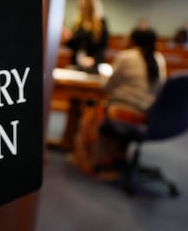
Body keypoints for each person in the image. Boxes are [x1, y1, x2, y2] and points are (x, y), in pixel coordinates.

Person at [69, 28, 167, 178]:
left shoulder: (127, 57)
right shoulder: (158, 58)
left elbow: (107, 86)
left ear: (133, 41)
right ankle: (116, 156)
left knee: (90, 116)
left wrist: (103, 76)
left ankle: (90, 162)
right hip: (148, 114)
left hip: (125, 112)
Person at [61, 0, 109, 73]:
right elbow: (75, 46)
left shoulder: (101, 23)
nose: (81, 10)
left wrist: (93, 59)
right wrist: (67, 39)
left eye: (83, 7)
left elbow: (102, 48)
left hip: (93, 66)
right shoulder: (79, 24)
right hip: (77, 64)